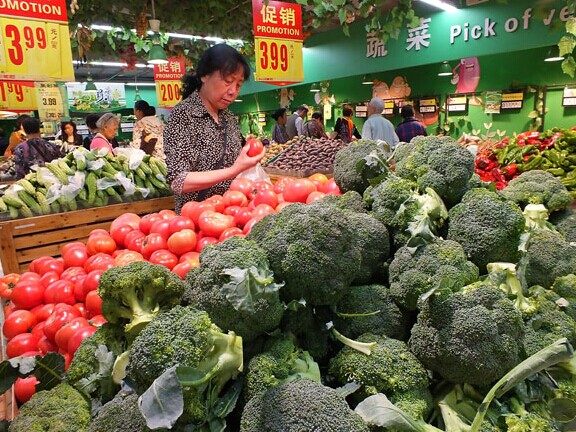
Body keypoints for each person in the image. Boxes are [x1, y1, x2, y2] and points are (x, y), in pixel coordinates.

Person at [163, 44, 265, 214]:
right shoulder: (183, 116)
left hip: (232, 215)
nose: (233, 91)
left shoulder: (229, 118)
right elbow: (178, 181)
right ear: (204, 75)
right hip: (197, 222)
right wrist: (234, 170)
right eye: (228, 81)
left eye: (238, 85)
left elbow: (237, 161)